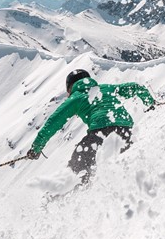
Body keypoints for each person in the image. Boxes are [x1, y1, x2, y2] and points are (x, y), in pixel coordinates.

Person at [26, 69, 156, 184]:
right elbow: (135, 87)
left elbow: (53, 123)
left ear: (70, 88)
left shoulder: (76, 98)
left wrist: (36, 148)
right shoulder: (106, 88)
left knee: (75, 173)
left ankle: (61, 202)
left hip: (100, 134)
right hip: (127, 133)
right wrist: (149, 102)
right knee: (117, 168)